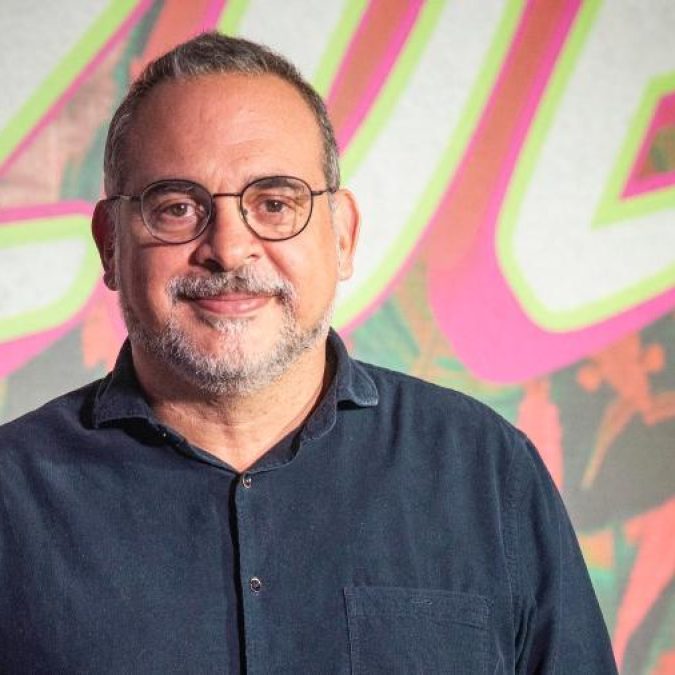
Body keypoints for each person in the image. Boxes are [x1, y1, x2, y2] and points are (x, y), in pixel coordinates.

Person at [0, 32, 617, 673]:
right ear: (110, 244)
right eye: (178, 208)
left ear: (342, 236)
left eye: (274, 204)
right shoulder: (11, 495)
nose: (229, 249)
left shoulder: (486, 472)